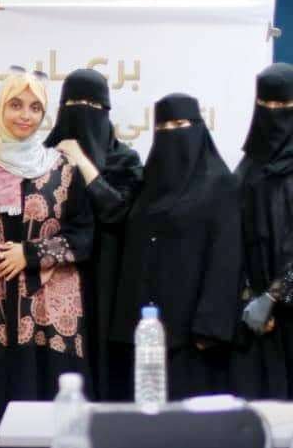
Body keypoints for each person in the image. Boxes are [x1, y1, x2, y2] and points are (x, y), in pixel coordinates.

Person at [0, 68, 93, 448]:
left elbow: (85, 236)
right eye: (16, 105)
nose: (25, 115)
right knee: (2, 410)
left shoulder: (63, 168)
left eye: (35, 108)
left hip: (52, 314)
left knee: (54, 410)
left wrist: (31, 254)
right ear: (0, 108)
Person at [110, 93, 240, 400]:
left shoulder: (219, 184)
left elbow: (226, 257)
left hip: (193, 338)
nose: (171, 133)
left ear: (198, 127)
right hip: (144, 333)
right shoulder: (148, 184)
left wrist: (210, 327)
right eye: (163, 127)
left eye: (180, 125)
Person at [44, 68, 144, 401]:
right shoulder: (43, 159)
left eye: (91, 105)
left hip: (109, 284)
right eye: (73, 105)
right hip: (56, 279)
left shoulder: (125, 161)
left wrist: (83, 163)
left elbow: (116, 211)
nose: (82, 114)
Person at [231, 62, 293, 399]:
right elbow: (231, 239)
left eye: (283, 105)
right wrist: (249, 296)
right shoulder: (246, 171)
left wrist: (274, 295)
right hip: (256, 322)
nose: (274, 113)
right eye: (265, 105)